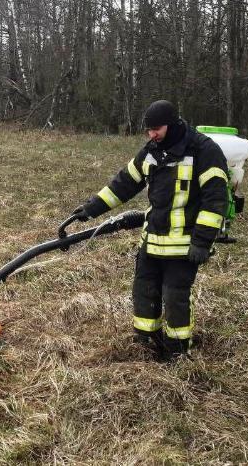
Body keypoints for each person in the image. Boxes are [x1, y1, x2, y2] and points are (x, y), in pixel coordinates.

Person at [71, 100, 229, 359]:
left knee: (174, 297)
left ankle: (177, 353)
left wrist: (201, 242)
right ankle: (146, 345)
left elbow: (216, 200)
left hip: (184, 246)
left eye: (157, 129)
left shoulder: (203, 151)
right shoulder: (152, 152)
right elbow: (124, 183)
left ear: (173, 123)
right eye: (149, 130)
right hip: (152, 240)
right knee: (143, 292)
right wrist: (91, 208)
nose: (152, 135)